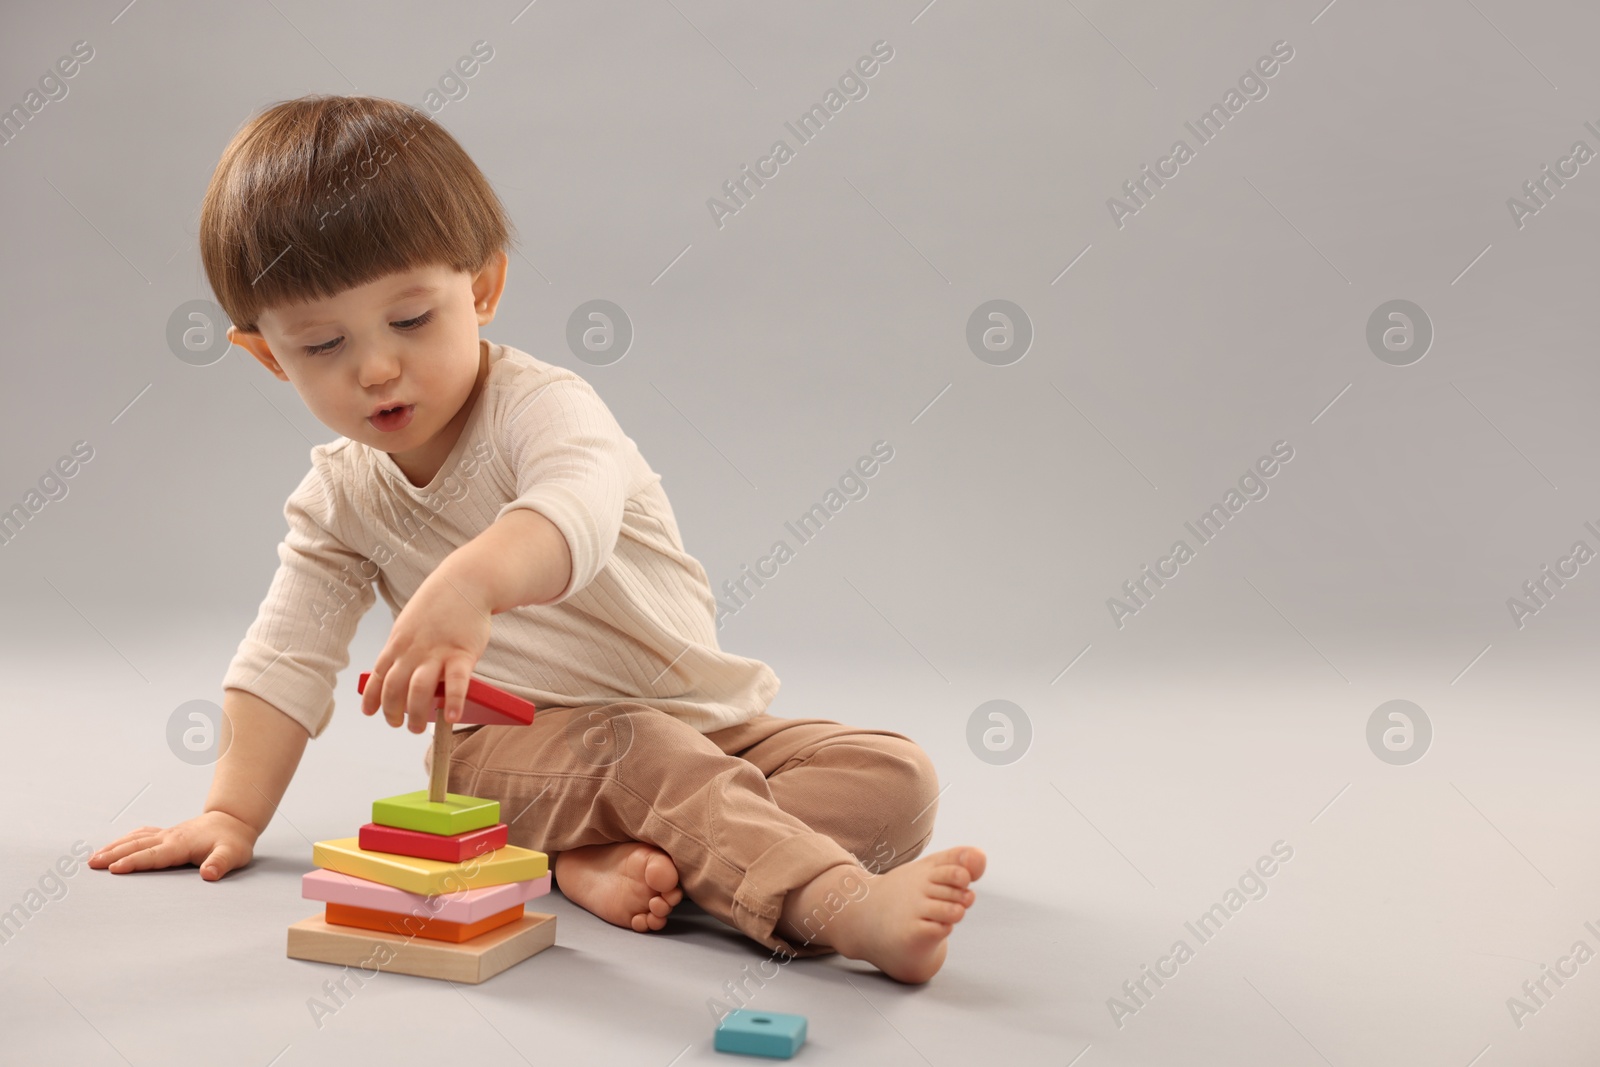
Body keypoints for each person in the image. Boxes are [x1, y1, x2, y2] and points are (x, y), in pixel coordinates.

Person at [88, 94, 984, 983]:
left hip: (707, 725)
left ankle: (590, 859)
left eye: (410, 320)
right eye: (322, 345)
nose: (375, 367)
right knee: (641, 753)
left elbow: (576, 514)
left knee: (894, 777)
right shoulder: (338, 500)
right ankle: (838, 905)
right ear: (268, 356)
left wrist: (472, 582)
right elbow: (283, 658)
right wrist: (231, 815)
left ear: (481, 289)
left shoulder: (542, 409)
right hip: (510, 756)